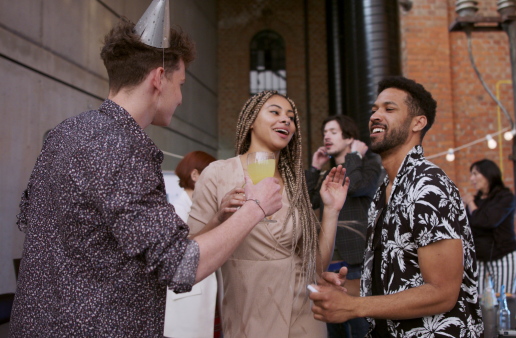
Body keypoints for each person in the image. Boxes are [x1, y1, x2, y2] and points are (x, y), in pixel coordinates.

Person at [9, 12, 283, 337]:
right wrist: (256, 207)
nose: (180, 98)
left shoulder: (63, 133)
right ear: (158, 79)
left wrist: (216, 223)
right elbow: (181, 265)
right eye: (180, 85)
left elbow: (59, 228)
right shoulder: (125, 147)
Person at [310, 76, 483, 337]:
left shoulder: (428, 185)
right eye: (374, 109)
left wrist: (354, 306)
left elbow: (442, 293)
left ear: (418, 122)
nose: (376, 115)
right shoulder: (384, 190)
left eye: (389, 109)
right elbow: (393, 283)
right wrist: (345, 290)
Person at [188, 90, 350, 337]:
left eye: (291, 117)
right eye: (275, 112)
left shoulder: (295, 184)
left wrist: (331, 209)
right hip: (248, 316)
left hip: (303, 315)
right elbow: (189, 252)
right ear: (251, 121)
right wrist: (219, 218)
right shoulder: (218, 174)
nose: (286, 120)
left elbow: (315, 266)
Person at [306, 115, 381, 338]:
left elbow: (356, 185)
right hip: (328, 263)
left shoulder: (369, 164)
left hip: (355, 260)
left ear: (349, 138)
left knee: (360, 328)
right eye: (324, 133)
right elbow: (309, 201)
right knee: (333, 329)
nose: (326, 136)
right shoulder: (327, 174)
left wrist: (355, 155)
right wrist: (314, 167)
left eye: (333, 132)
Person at [164, 151, 219, 338]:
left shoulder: (202, 209)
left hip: (204, 299)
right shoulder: (175, 212)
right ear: (195, 175)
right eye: (214, 175)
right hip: (186, 303)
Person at [462, 159, 516, 295]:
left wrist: (470, 203)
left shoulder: (505, 197)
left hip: (503, 256)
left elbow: (488, 221)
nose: (472, 179)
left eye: (475, 174)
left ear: (488, 174)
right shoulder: (477, 201)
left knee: (504, 300)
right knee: (481, 301)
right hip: (480, 258)